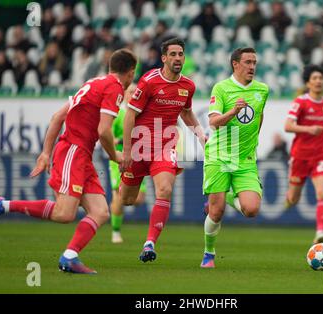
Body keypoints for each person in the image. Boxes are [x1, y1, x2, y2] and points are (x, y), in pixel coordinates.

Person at [0, 49, 138, 274]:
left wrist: (45, 153)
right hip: (73, 150)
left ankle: (69, 256)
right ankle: (3, 205)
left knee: (100, 212)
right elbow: (104, 131)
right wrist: (115, 155)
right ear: (130, 73)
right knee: (64, 213)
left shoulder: (93, 83)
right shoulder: (115, 88)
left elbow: (58, 117)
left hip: (80, 155)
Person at [119, 37, 207, 263]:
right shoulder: (149, 81)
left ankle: (150, 243)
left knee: (165, 189)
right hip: (139, 146)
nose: (178, 58)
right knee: (127, 199)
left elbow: (186, 113)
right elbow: (130, 114)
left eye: (181, 54)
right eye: (173, 54)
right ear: (164, 58)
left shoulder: (188, 85)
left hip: (165, 146)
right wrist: (127, 151)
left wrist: (200, 135)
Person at [201, 47, 269, 268]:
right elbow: (213, 121)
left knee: (251, 210)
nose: (252, 66)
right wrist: (232, 112)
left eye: (254, 62)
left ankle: (226, 196)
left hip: (245, 160)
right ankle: (209, 254)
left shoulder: (262, 89)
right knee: (216, 212)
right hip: (219, 156)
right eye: (248, 62)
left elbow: (259, 116)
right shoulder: (221, 88)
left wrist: (252, 144)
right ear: (235, 64)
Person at [284, 64, 323, 244]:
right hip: (300, 155)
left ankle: (320, 233)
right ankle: (289, 198)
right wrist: (309, 129)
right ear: (308, 82)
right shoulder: (300, 102)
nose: (318, 81)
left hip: (321, 154)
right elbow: (287, 126)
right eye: (314, 78)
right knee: (294, 198)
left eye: (321, 78)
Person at [108, 84, 146, 244]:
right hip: (120, 158)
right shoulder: (118, 113)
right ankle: (115, 232)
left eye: (136, 92)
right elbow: (106, 132)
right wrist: (114, 141)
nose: (134, 94)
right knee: (119, 194)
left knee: (138, 199)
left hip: (138, 159)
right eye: (131, 91)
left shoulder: (142, 113)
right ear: (124, 94)